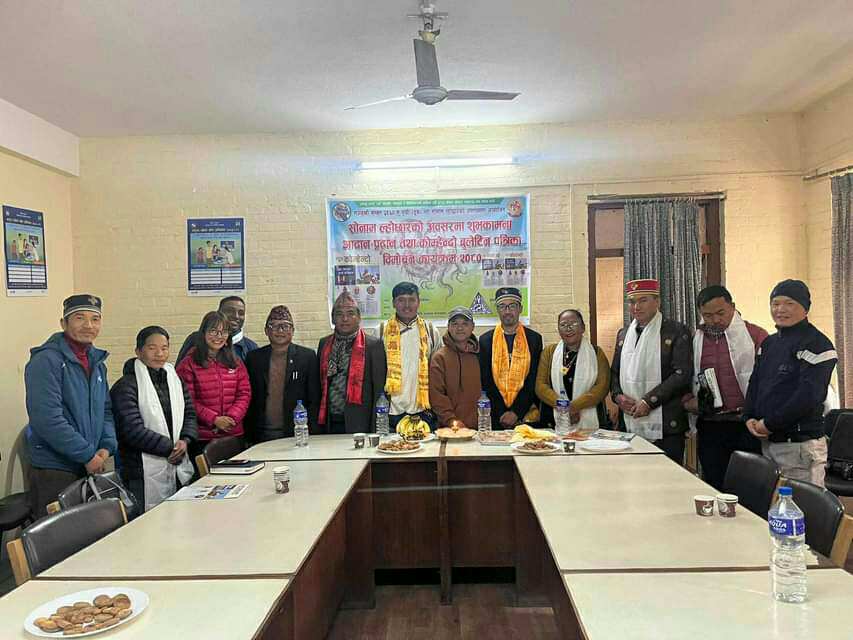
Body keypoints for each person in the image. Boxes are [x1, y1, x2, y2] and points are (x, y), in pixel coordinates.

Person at [24, 294, 117, 518]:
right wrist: (87, 455)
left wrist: (106, 446)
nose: (88, 325)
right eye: (79, 318)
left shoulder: (97, 362)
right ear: (63, 323)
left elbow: (105, 411)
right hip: (56, 468)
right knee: (58, 536)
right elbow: (47, 419)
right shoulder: (46, 361)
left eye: (95, 319)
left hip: (89, 462)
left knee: (91, 531)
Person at [743, 280, 837, 486]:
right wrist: (749, 416)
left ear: (805, 308)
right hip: (768, 442)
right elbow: (755, 382)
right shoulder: (769, 343)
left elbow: (808, 396)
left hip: (800, 446)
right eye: (775, 303)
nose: (781, 309)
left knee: (801, 505)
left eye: (789, 303)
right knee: (772, 503)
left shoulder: (818, 344)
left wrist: (769, 424)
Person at [682, 286, 767, 491]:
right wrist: (688, 401)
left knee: (750, 487)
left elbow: (770, 380)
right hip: (711, 423)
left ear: (733, 307)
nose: (715, 320)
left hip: (746, 424)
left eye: (721, 313)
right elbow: (683, 376)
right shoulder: (695, 339)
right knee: (714, 484)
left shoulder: (755, 335)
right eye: (708, 316)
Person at [110, 326, 197, 510]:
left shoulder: (175, 379)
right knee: (147, 520)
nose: (159, 354)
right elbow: (131, 429)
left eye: (164, 348)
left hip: (176, 462)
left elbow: (190, 413)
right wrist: (171, 448)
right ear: (138, 351)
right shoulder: (126, 385)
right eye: (152, 348)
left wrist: (185, 440)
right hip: (140, 470)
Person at [610, 279, 693, 463]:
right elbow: (614, 372)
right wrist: (618, 397)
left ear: (657, 302)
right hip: (629, 422)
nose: (636, 307)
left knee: (667, 478)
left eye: (643, 300)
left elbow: (682, 374)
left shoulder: (676, 331)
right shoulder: (623, 334)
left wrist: (649, 401)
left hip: (666, 424)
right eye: (632, 302)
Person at [176, 311, 251, 459]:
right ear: (203, 333)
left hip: (233, 434)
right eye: (213, 331)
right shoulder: (188, 363)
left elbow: (244, 393)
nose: (218, 336)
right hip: (202, 437)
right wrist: (214, 420)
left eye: (224, 332)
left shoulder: (235, 362)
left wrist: (231, 419)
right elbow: (187, 400)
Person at [245, 306, 320, 443]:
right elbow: (249, 397)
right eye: (274, 326)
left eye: (285, 326)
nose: (280, 331)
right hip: (261, 433)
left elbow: (314, 399)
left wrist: (312, 432)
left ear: (293, 331)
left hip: (296, 432)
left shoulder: (307, 357)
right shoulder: (254, 358)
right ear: (266, 331)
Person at [317, 292, 387, 434]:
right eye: (339, 314)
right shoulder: (324, 343)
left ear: (359, 317)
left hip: (360, 422)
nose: (345, 319)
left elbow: (379, 392)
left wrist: (376, 430)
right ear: (333, 318)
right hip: (329, 421)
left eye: (350, 314)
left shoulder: (373, 345)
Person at [379, 282, 442, 430]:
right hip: (390, 410)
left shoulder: (430, 331)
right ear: (394, 303)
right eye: (401, 300)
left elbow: (439, 371)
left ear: (418, 302)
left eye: (411, 300)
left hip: (423, 409)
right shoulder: (381, 330)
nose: (407, 305)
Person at [479, 287, 543, 430]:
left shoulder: (534, 339)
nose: (507, 311)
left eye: (512, 306)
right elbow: (486, 381)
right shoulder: (485, 340)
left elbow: (533, 379)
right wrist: (502, 412)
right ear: (497, 310)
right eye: (502, 306)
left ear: (520, 308)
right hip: (496, 415)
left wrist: (516, 412)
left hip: (525, 414)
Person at [536, 309, 610, 429]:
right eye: (563, 325)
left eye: (573, 324)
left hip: (590, 419)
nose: (568, 328)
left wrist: (574, 407)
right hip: (553, 419)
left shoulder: (597, 353)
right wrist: (563, 406)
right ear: (558, 329)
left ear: (583, 328)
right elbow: (540, 386)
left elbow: (602, 386)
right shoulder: (549, 352)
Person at [429, 306, 481, 429]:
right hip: (450, 429)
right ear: (448, 327)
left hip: (479, 428)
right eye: (455, 324)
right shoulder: (439, 358)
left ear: (472, 327)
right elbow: (436, 395)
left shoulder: (480, 354)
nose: (460, 328)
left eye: (465, 324)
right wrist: (451, 420)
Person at [176, 296, 258, 363]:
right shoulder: (195, 339)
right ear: (219, 313)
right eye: (230, 311)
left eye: (241, 313)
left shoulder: (251, 347)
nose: (236, 316)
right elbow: (178, 374)